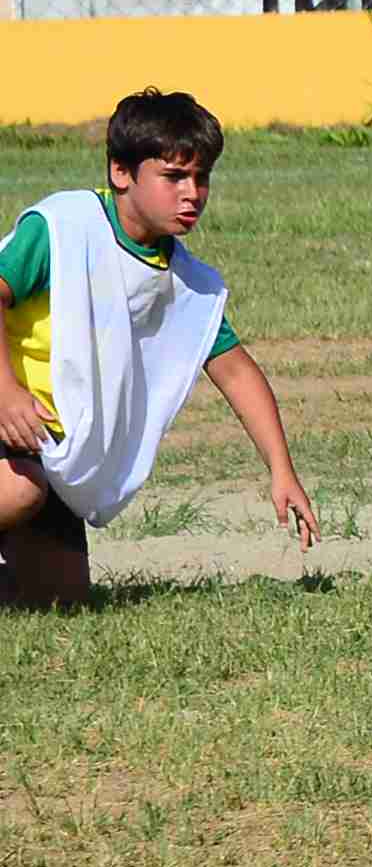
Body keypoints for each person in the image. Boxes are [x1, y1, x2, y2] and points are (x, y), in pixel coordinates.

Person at [0, 91, 316, 608]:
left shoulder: (188, 283)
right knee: (20, 490)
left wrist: (282, 471)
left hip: (45, 452)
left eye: (202, 177)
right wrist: (7, 392)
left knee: (61, 599)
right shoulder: (64, 226)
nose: (193, 193)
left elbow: (236, 372)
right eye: (174, 177)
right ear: (121, 173)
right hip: (8, 421)